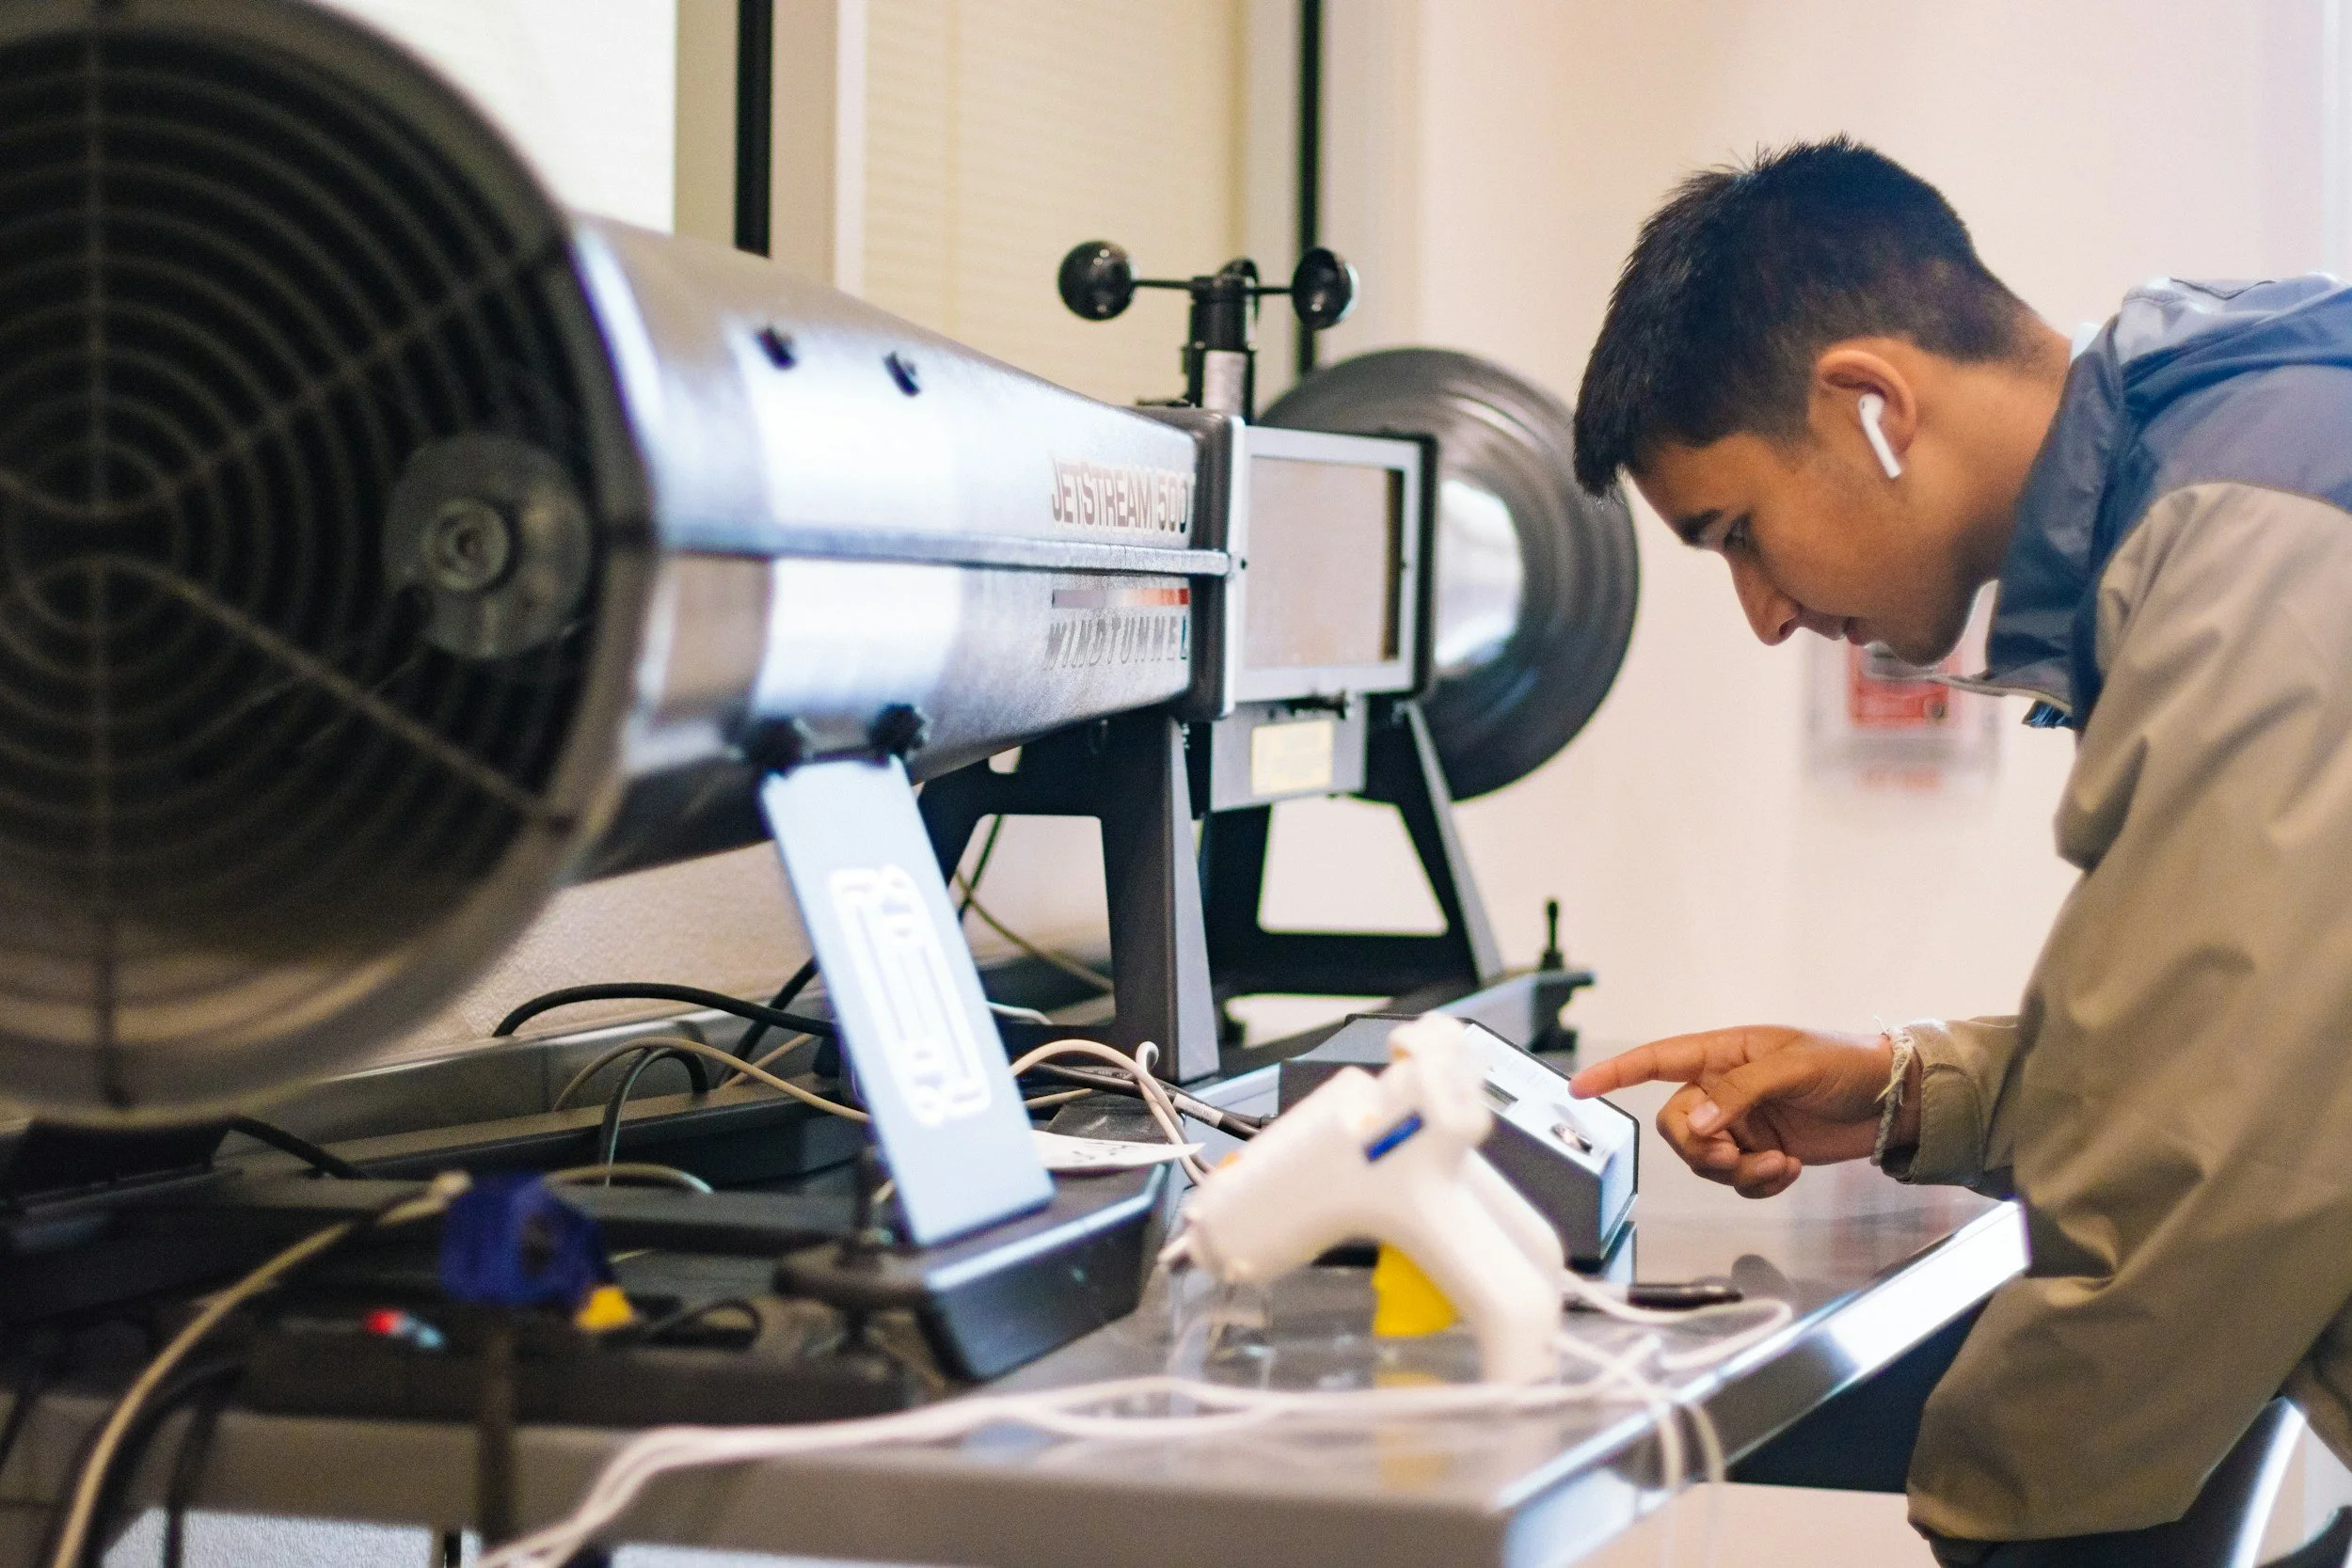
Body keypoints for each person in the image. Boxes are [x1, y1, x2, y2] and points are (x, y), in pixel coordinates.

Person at [1563, 136, 2352, 1564]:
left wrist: (1986, 1510)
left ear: (1870, 405)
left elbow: (2203, 1177)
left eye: (1740, 533)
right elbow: (2256, 1031)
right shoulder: (2239, 458)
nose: (1763, 613)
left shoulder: (2252, 545)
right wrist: (1916, 1092)